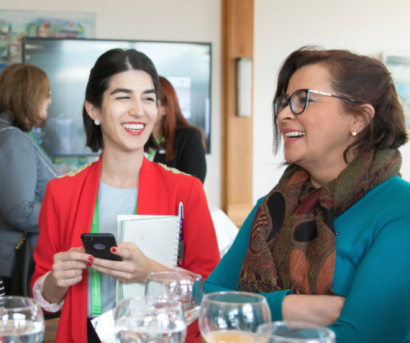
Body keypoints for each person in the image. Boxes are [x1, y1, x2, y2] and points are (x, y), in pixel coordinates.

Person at [204, 46, 410, 343]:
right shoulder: (273, 207)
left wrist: (256, 312)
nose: (284, 114)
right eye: (285, 102)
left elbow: (361, 337)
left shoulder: (399, 210)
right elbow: (211, 300)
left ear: (359, 119)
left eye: (304, 100)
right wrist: (301, 308)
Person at [31, 49, 220, 343]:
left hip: (157, 335)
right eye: (123, 97)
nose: (138, 110)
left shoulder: (186, 190)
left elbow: (209, 291)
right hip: (83, 333)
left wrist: (152, 273)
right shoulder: (62, 192)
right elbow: (43, 295)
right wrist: (55, 281)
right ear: (93, 110)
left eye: (148, 98)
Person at [0, 64, 58, 295]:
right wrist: (63, 214)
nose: (50, 101)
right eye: (47, 94)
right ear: (31, 96)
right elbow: (19, 210)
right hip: (12, 263)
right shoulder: (13, 139)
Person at [146, 76, 207, 183]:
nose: (141, 109)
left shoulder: (188, 138)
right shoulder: (133, 138)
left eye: (149, 100)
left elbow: (192, 187)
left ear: (165, 107)